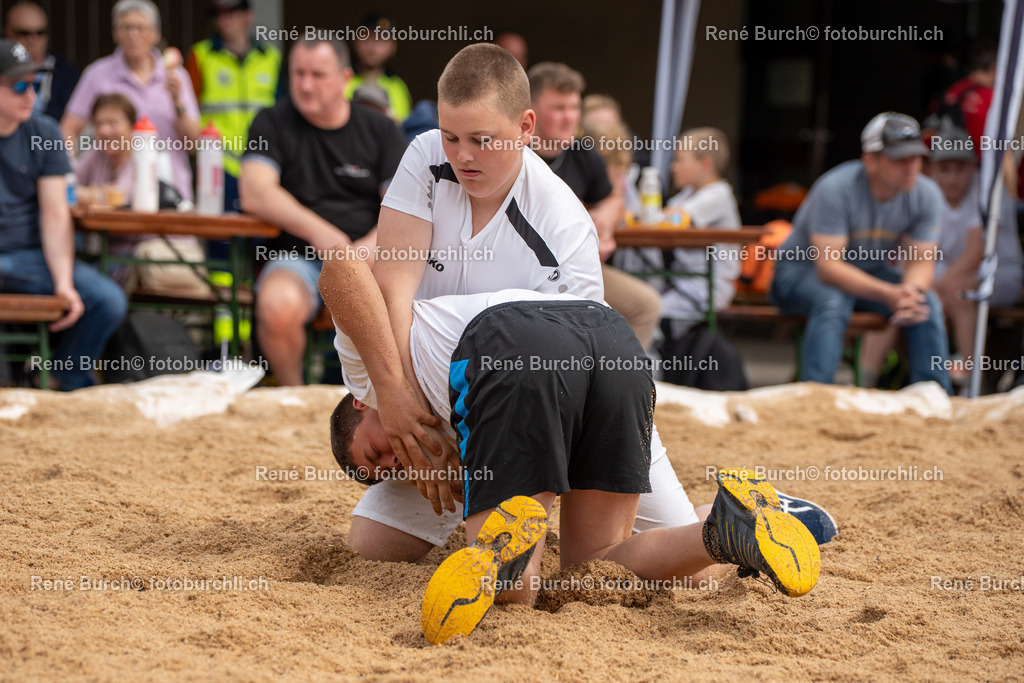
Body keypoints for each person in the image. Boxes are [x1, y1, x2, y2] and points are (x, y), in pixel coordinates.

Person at [319, 244, 820, 645]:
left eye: (375, 453)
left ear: (359, 407)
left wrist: (389, 388)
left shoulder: (367, 370)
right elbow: (373, 534)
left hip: (513, 345)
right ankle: (724, 531)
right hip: (609, 336)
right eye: (391, 472)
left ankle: (505, 560)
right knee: (597, 572)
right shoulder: (435, 445)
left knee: (515, 596)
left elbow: (340, 261)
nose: (395, 462)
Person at [321, 43, 698, 567]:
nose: (463, 155)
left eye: (482, 140)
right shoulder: (427, 154)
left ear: (526, 127)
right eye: (452, 137)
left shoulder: (565, 226)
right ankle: (720, 531)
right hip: (454, 385)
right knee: (374, 542)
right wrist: (408, 413)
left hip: (539, 377)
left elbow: (564, 387)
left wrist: (423, 428)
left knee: (540, 571)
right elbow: (392, 291)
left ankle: (706, 533)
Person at [238, 36, 405, 386]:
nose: (305, 85)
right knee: (275, 304)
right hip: (297, 258)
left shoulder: (382, 130)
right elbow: (255, 191)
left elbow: (405, 210)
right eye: (298, 73)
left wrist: (365, 249)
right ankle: (294, 396)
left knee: (407, 306)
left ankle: (384, 400)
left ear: (345, 78)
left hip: (372, 257)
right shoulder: (270, 122)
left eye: (318, 74)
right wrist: (320, 233)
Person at [770, 112, 952, 393]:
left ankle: (934, 396)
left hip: (862, 275)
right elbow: (829, 268)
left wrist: (909, 293)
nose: (911, 166)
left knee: (924, 302)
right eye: (899, 159)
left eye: (916, 157)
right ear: (870, 160)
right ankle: (815, 397)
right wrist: (888, 294)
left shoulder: (926, 193)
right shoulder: (835, 187)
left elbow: (921, 262)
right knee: (833, 299)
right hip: (798, 272)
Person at [0, 39, 126, 390]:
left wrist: (63, 284)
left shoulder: (46, 132)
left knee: (107, 299)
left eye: (35, 84)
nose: (30, 95)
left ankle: (64, 379)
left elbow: (56, 215)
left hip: (28, 258)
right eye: (19, 85)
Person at [528, 61, 662, 349]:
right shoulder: (512, 152)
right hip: (525, 273)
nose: (570, 118)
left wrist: (603, 219)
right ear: (531, 110)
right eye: (559, 108)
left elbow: (612, 196)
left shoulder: (582, 153)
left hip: (577, 270)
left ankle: (619, 388)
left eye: (575, 107)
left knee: (645, 304)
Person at [61, 0, 199, 201]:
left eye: (140, 28)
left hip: (172, 192)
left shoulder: (176, 77)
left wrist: (178, 102)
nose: (133, 34)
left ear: (155, 34)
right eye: (126, 27)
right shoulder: (97, 74)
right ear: (115, 33)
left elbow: (194, 143)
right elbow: (68, 130)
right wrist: (69, 176)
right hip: (115, 192)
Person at [75, 93, 207, 295]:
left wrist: (85, 196)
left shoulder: (144, 153)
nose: (104, 130)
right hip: (111, 254)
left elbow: (115, 198)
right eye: (99, 123)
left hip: (151, 258)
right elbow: (63, 184)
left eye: (112, 122)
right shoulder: (97, 154)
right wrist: (92, 195)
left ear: (131, 126)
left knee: (80, 279)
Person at [185, 0, 281, 213]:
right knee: (218, 236)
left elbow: (282, 112)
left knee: (261, 237)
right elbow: (188, 107)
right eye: (218, 13)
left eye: (232, 12)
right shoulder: (200, 55)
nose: (224, 18)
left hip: (262, 160)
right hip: (217, 161)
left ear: (248, 16)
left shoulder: (271, 57)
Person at [659, 127, 743, 337]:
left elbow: (674, 219)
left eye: (680, 160)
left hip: (706, 287)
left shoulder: (718, 195)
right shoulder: (687, 194)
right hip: (681, 283)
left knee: (645, 316)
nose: (673, 167)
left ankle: (650, 367)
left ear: (705, 164)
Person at [2, 1, 78, 121]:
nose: (33, 39)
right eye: (24, 33)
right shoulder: (3, 66)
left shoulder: (67, 73)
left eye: (40, 32)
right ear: (7, 32)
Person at [344, 13, 412, 122]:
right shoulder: (341, 78)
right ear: (356, 41)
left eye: (381, 40)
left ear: (393, 46)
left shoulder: (398, 86)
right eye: (366, 37)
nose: (373, 47)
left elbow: (403, 130)